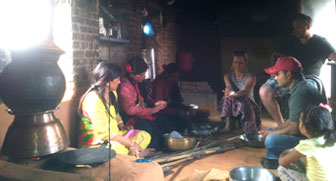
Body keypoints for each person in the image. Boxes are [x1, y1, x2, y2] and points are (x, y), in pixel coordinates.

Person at [259, 13, 336, 125]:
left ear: (308, 26)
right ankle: (281, 124)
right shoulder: (290, 41)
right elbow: (275, 54)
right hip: (287, 75)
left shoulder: (320, 42)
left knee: (303, 93)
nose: (295, 30)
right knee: (264, 91)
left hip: (309, 78)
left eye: (298, 27)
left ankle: (300, 126)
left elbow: (334, 55)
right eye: (294, 27)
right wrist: (275, 71)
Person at [259, 56, 327, 169]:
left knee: (271, 139)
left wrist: (271, 134)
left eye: (277, 74)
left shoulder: (300, 93)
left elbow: (295, 129)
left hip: (315, 141)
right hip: (309, 133)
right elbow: (292, 120)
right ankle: (274, 159)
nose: (275, 78)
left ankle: (281, 162)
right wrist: (273, 131)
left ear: (289, 75)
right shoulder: (299, 87)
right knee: (271, 130)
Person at [78, 61, 155, 158]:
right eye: (117, 79)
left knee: (145, 135)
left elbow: (115, 113)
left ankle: (133, 154)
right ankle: (138, 154)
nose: (119, 82)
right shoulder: (93, 100)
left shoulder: (112, 93)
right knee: (116, 149)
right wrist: (131, 144)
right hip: (97, 144)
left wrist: (122, 126)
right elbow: (104, 134)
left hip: (115, 135)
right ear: (107, 81)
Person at [117, 56, 173, 150]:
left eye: (144, 74)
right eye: (141, 74)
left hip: (142, 113)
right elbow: (130, 110)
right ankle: (153, 150)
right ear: (132, 74)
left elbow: (145, 99)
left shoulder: (140, 83)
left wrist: (155, 103)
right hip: (130, 118)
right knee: (149, 127)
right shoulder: (125, 87)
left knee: (164, 121)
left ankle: (169, 144)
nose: (144, 76)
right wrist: (151, 110)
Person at [278, 104, 336, 181]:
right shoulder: (330, 140)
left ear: (305, 128)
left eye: (300, 121)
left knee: (282, 169)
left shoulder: (307, 145)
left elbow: (282, 162)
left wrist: (291, 150)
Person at [217, 50, 261, 134]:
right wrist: (229, 93)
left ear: (245, 64)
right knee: (227, 97)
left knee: (243, 100)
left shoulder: (251, 77)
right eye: (235, 62)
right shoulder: (227, 75)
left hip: (248, 103)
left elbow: (244, 90)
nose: (237, 65)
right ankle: (228, 126)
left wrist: (235, 94)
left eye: (240, 63)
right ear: (232, 63)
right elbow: (228, 86)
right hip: (233, 101)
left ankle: (249, 128)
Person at [151, 63, 190, 132]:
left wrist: (188, 109)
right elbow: (159, 109)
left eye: (177, 77)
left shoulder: (173, 83)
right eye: (174, 76)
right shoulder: (159, 83)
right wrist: (178, 112)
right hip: (157, 114)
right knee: (166, 122)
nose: (176, 79)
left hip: (168, 110)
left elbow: (177, 102)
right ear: (167, 74)